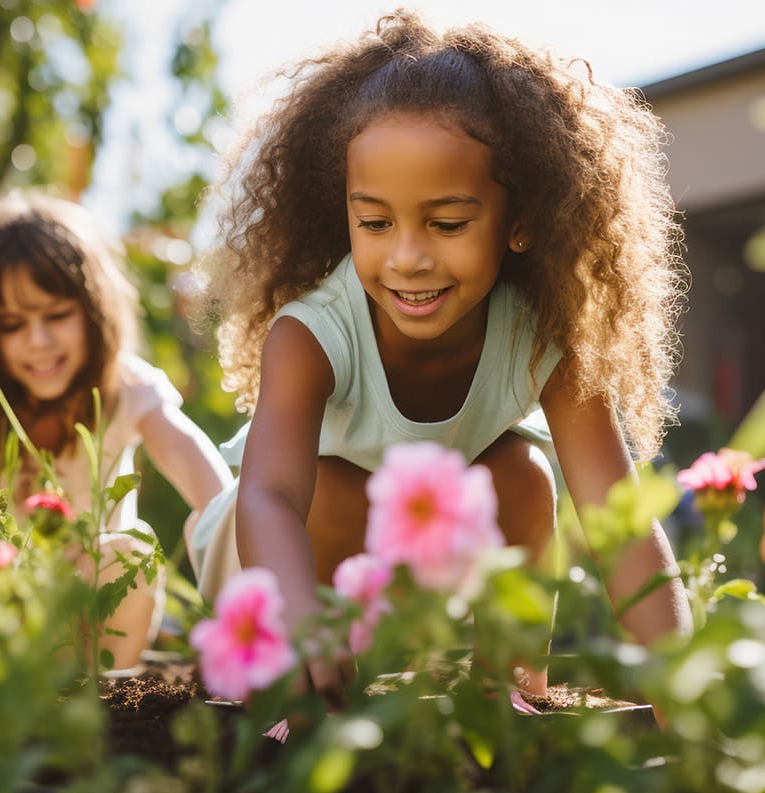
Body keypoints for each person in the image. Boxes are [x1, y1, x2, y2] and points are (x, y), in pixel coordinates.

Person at [189, 8, 694, 708]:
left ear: (520, 222)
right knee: (334, 488)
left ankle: (512, 701)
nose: (407, 257)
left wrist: (684, 688)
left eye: (447, 223)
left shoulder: (543, 337)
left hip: (414, 559)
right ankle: (297, 705)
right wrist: (298, 620)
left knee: (523, 473)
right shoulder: (309, 334)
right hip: (271, 561)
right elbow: (271, 496)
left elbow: (620, 520)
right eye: (374, 222)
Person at [0, 190, 233, 670]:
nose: (39, 342)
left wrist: (240, 561)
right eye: (12, 324)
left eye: (57, 315)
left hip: (95, 629)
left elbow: (216, 496)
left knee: (128, 551)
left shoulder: (126, 389)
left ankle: (105, 704)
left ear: (94, 308)